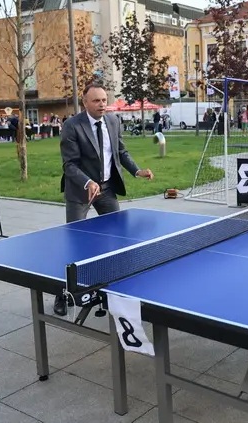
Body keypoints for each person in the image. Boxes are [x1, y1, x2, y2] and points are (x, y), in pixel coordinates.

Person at [58, 82, 154, 316]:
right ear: (85, 103)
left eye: (104, 100)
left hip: (107, 189)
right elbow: (69, 164)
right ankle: (63, 294)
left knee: (117, 238)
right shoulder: (72, 126)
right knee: (75, 244)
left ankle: (111, 288)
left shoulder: (113, 121)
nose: (102, 104)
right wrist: (87, 182)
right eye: (96, 101)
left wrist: (137, 171)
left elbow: (121, 152)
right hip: (80, 191)